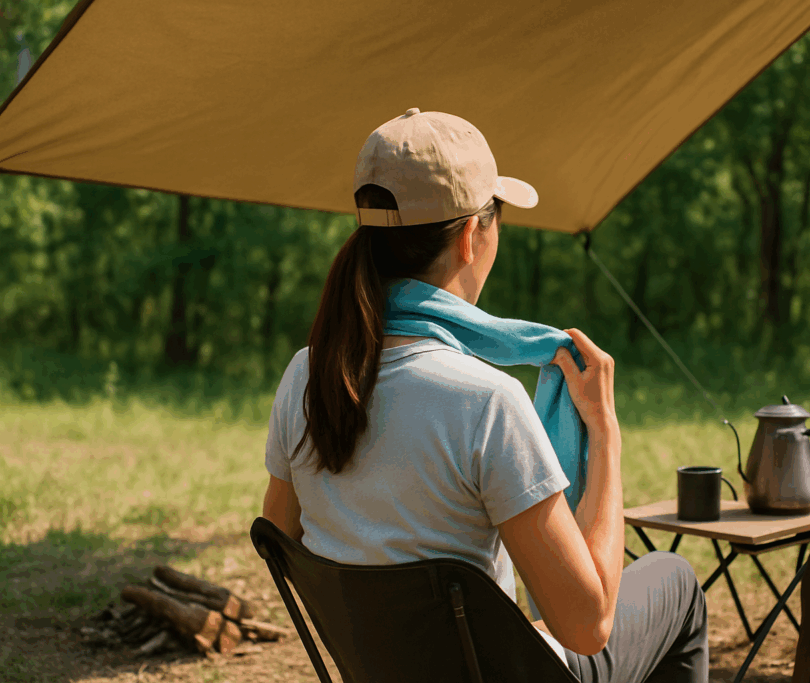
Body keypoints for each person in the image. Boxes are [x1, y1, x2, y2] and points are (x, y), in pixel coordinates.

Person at [261, 108, 708, 682]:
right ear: (472, 235)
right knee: (676, 582)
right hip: (494, 671)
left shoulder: (305, 375)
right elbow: (587, 626)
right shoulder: (487, 402)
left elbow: (283, 541)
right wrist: (605, 433)